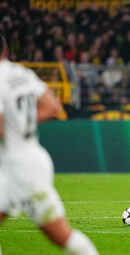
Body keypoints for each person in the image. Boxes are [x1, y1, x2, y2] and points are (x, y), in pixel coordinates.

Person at [0, 35, 99, 254]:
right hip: (28, 159)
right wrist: (22, 123)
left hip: (18, 168)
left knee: (60, 235)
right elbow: (53, 106)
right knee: (61, 236)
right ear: (6, 51)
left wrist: (14, 125)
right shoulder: (22, 74)